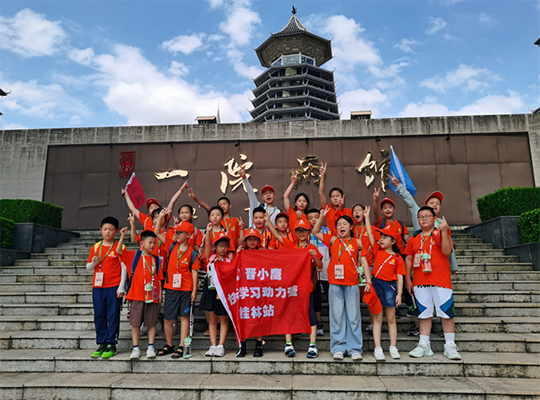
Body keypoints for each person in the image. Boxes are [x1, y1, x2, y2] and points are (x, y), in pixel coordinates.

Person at [404, 206, 461, 360]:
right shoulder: (414, 239)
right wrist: (408, 279)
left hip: (441, 280)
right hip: (420, 281)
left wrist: (444, 230)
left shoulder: (440, 233)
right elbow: (409, 258)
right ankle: (424, 344)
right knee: (423, 314)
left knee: (446, 313)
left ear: (435, 219)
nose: (423, 219)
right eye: (420, 217)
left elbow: (447, 251)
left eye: (427, 216)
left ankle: (450, 346)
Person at [266, 215, 323, 358]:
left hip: (307, 288)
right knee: (289, 314)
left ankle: (312, 345)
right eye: (299, 231)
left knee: (310, 316)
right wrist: (268, 220)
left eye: (304, 230)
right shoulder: (291, 245)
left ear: (309, 232)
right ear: (295, 233)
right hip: (291, 288)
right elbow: (275, 235)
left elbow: (320, 266)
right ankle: (288, 344)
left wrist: (315, 256)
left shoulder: (311, 247)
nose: (301, 233)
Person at [312, 208, 364, 361]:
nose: (342, 226)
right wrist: (321, 217)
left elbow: (364, 261)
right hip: (334, 283)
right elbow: (315, 231)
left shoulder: (357, 242)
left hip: (352, 282)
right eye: (339, 224)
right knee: (337, 316)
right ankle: (338, 347)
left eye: (345, 224)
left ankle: (354, 348)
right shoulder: (333, 240)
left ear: (351, 227)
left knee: (354, 316)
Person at [389, 172, 458, 273]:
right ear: (425, 206)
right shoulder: (418, 212)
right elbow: (410, 200)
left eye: (438, 204)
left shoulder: (442, 222)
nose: (435, 204)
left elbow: (449, 244)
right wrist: (398, 186)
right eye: (432, 202)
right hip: (420, 258)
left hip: (437, 261)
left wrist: (453, 266)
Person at [153, 213, 199, 359]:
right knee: (168, 318)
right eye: (176, 232)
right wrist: (160, 217)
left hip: (185, 289)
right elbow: (156, 232)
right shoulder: (171, 245)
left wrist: (194, 290)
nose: (176, 234)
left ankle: (181, 345)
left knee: (184, 317)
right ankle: (169, 344)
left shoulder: (192, 253)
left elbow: (194, 272)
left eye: (179, 232)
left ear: (188, 235)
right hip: (171, 287)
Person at [116, 229, 164, 360]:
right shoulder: (135, 256)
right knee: (136, 323)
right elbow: (119, 251)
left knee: (151, 322)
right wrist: (122, 236)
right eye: (150, 242)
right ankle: (135, 348)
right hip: (136, 295)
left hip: (152, 297)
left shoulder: (156, 260)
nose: (152, 245)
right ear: (142, 243)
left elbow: (159, 278)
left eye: (154, 243)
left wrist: (160, 294)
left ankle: (150, 347)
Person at [86, 216, 127, 359]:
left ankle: (111, 343)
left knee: (113, 314)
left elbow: (124, 267)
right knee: (99, 314)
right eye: (105, 229)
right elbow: (88, 268)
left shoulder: (120, 246)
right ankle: (101, 343)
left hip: (113, 286)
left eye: (111, 229)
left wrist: (121, 286)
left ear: (116, 231)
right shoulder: (96, 247)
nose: (107, 232)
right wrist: (94, 262)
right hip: (98, 287)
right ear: (100, 230)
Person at [363, 225, 406, 361]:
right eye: (380, 236)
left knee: (391, 319)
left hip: (390, 288)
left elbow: (400, 277)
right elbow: (370, 234)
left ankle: (393, 347)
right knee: (377, 319)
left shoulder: (398, 258)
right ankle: (378, 348)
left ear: (393, 241)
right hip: (376, 285)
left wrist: (399, 294)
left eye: (385, 237)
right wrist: (367, 218)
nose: (381, 239)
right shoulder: (377, 250)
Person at [201, 230, 232, 357]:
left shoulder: (228, 261)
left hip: (222, 293)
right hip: (210, 290)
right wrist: (208, 232)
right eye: (220, 246)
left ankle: (221, 345)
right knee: (212, 319)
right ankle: (212, 345)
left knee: (223, 319)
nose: (223, 248)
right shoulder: (211, 258)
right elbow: (207, 246)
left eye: (225, 246)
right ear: (215, 247)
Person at [235, 228, 265, 357]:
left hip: (261, 291)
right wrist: (237, 254)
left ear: (259, 241)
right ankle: (243, 346)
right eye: (249, 239)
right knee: (244, 317)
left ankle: (259, 345)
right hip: (245, 291)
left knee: (259, 317)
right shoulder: (241, 253)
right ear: (245, 241)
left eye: (254, 239)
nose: (252, 242)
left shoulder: (264, 254)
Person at [121, 180, 189, 231]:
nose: (153, 208)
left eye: (156, 206)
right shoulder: (146, 219)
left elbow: (172, 202)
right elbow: (132, 208)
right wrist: (126, 195)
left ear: (160, 208)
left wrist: (181, 189)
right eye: (151, 207)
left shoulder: (164, 216)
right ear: (149, 212)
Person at [306, 208, 331, 336]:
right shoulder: (305, 234)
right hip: (313, 272)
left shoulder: (327, 231)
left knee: (330, 296)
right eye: (310, 218)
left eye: (316, 217)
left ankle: (334, 323)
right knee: (315, 298)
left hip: (327, 270)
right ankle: (319, 322)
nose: (314, 220)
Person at [318, 162, 353, 236]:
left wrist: (341, 209)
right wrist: (323, 176)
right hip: (332, 242)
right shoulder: (328, 210)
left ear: (342, 197)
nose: (335, 198)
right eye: (332, 197)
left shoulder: (349, 212)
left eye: (337, 196)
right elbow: (321, 193)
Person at [372, 189, 409, 254]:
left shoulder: (401, 224)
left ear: (394, 209)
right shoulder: (381, 222)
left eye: (390, 207)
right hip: (386, 256)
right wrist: (375, 200)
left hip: (400, 257)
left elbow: (407, 240)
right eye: (385, 208)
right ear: (381, 211)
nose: (388, 209)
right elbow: (375, 213)